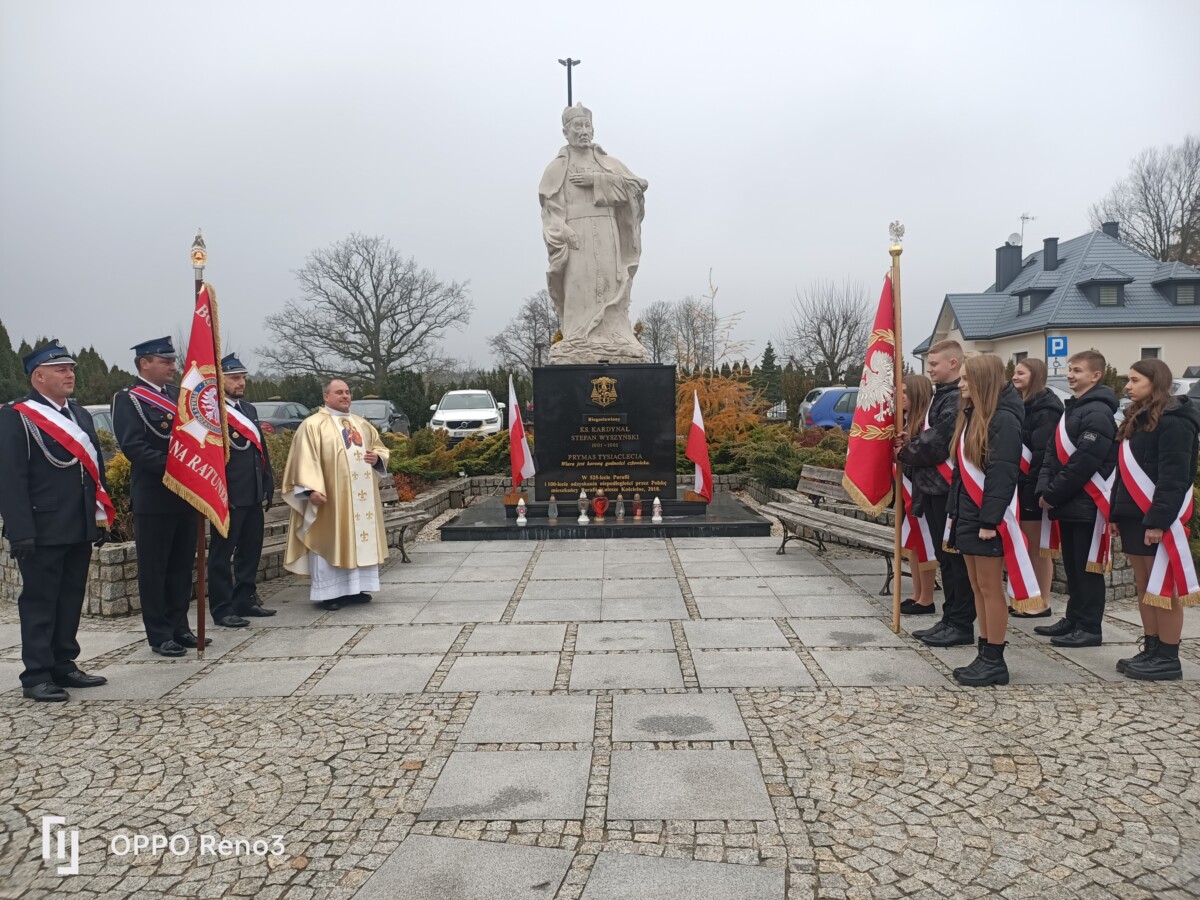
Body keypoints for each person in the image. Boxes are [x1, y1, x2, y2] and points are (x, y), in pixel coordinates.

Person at [0, 341, 111, 701]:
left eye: (72, 368)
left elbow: (95, 471)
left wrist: (98, 516)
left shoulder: (79, 416)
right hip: (41, 526)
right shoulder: (17, 416)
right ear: (39, 376)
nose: (70, 374)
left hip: (77, 523)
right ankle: (36, 674)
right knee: (40, 601)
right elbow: (10, 479)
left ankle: (64, 663)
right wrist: (20, 532)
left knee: (69, 598)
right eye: (61, 369)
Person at [112, 336, 208, 657]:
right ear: (145, 364)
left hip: (185, 497)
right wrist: (177, 470)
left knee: (182, 566)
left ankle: (180, 626)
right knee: (155, 569)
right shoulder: (128, 400)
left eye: (172, 361)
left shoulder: (178, 396)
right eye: (165, 361)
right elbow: (134, 447)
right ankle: (159, 633)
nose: (172, 366)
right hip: (154, 498)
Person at [1110, 359, 1200, 681]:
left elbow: (1174, 477)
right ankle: (1150, 647)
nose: (1128, 386)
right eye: (1128, 380)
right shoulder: (1137, 417)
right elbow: (1122, 472)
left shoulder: (1176, 421)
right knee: (1144, 585)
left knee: (1163, 588)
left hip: (1155, 517)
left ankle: (1168, 656)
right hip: (1134, 514)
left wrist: (1159, 521)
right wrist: (1114, 513)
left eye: (1135, 380)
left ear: (1155, 382)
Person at [539, 103, 649, 364]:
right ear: (566, 132)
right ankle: (578, 338)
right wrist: (562, 229)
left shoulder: (607, 162)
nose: (584, 131)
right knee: (580, 285)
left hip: (607, 231)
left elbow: (638, 186)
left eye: (587, 125)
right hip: (576, 235)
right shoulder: (557, 167)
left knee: (610, 283)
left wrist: (597, 181)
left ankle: (614, 336)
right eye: (577, 126)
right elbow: (550, 207)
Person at [945, 354, 1029, 686]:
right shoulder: (975, 416)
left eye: (965, 379)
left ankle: (995, 658)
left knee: (991, 588)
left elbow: (1002, 473)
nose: (960, 384)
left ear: (982, 381)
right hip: (968, 514)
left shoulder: (1003, 420)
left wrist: (989, 520)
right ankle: (984, 652)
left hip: (985, 520)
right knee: (977, 586)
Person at [1034, 350, 1119, 647]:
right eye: (1070, 369)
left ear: (1095, 376)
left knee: (1087, 569)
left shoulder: (1098, 412)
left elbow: (1085, 461)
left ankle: (1089, 627)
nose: (1070, 375)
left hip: (1086, 503)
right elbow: (1051, 454)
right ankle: (1074, 618)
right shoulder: (1075, 408)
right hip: (1068, 502)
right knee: (1072, 566)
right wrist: (1045, 490)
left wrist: (1053, 493)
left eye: (1078, 371)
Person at [282, 379, 391, 610]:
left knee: (357, 540)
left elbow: (379, 447)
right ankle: (329, 593)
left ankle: (356, 588)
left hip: (361, 502)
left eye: (348, 392)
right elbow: (304, 459)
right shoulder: (312, 425)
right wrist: (310, 490)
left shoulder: (362, 424)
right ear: (326, 397)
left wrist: (377, 458)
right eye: (339, 392)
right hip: (331, 500)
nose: (345, 396)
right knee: (331, 539)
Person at [895, 340, 976, 646]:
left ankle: (959, 623)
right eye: (929, 364)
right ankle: (950, 618)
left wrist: (908, 449)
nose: (929, 369)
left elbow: (936, 443)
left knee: (955, 561)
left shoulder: (954, 399)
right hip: (932, 488)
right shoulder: (940, 397)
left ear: (953, 364)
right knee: (946, 560)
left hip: (945, 489)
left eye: (935, 364)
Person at [206, 354, 275, 628]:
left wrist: (267, 481)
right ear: (220, 380)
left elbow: (260, 450)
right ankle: (222, 608)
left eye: (243, 377)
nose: (241, 382)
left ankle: (245, 598)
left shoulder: (248, 409)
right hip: (229, 495)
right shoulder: (212, 411)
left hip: (253, 493)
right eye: (235, 378)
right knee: (222, 556)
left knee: (250, 549)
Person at [1011, 359, 1064, 617]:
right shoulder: (1019, 404)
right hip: (1019, 485)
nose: (1014, 376)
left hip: (1033, 486)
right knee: (1025, 544)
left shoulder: (1047, 409)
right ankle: (1027, 597)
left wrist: (1033, 484)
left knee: (1038, 547)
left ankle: (1042, 601)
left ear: (1036, 376)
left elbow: (1044, 453)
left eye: (1021, 373)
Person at [897, 374, 938, 614]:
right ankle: (916, 593)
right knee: (912, 545)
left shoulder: (925, 423)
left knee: (923, 543)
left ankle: (927, 597)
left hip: (920, 490)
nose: (900, 397)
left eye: (904, 392)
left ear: (917, 394)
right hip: (908, 490)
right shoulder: (904, 421)